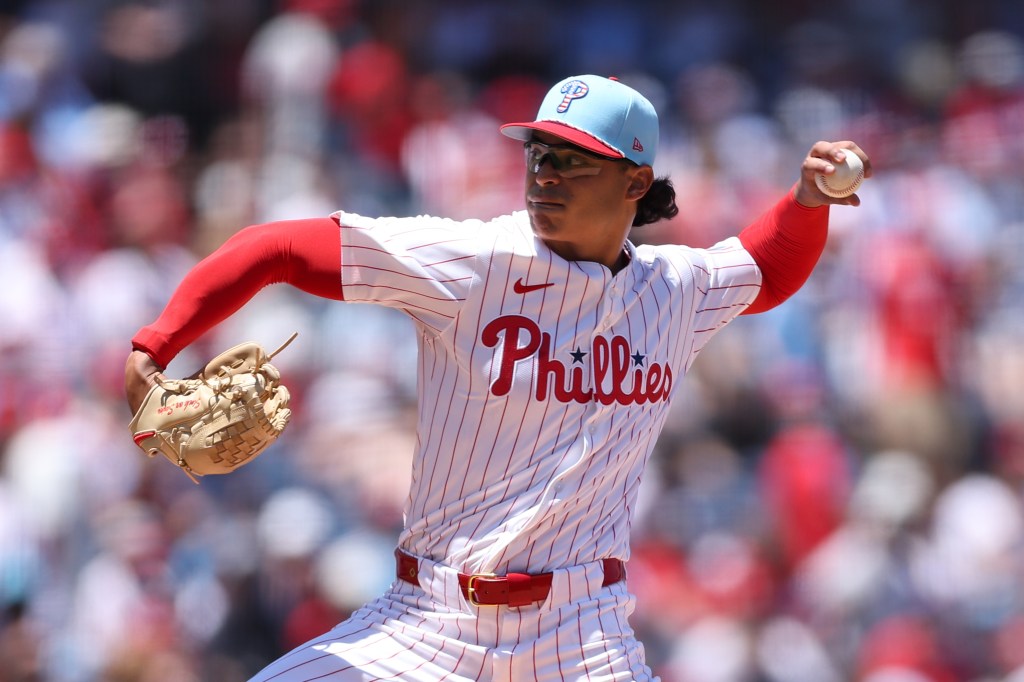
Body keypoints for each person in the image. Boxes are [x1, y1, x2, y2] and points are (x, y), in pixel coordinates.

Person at [125, 74, 871, 681]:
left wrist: (809, 203)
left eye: (572, 160)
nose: (545, 175)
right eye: (539, 155)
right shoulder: (470, 263)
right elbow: (278, 246)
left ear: (635, 180)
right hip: (428, 626)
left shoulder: (675, 288)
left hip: (583, 637)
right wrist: (155, 344)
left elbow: (765, 269)